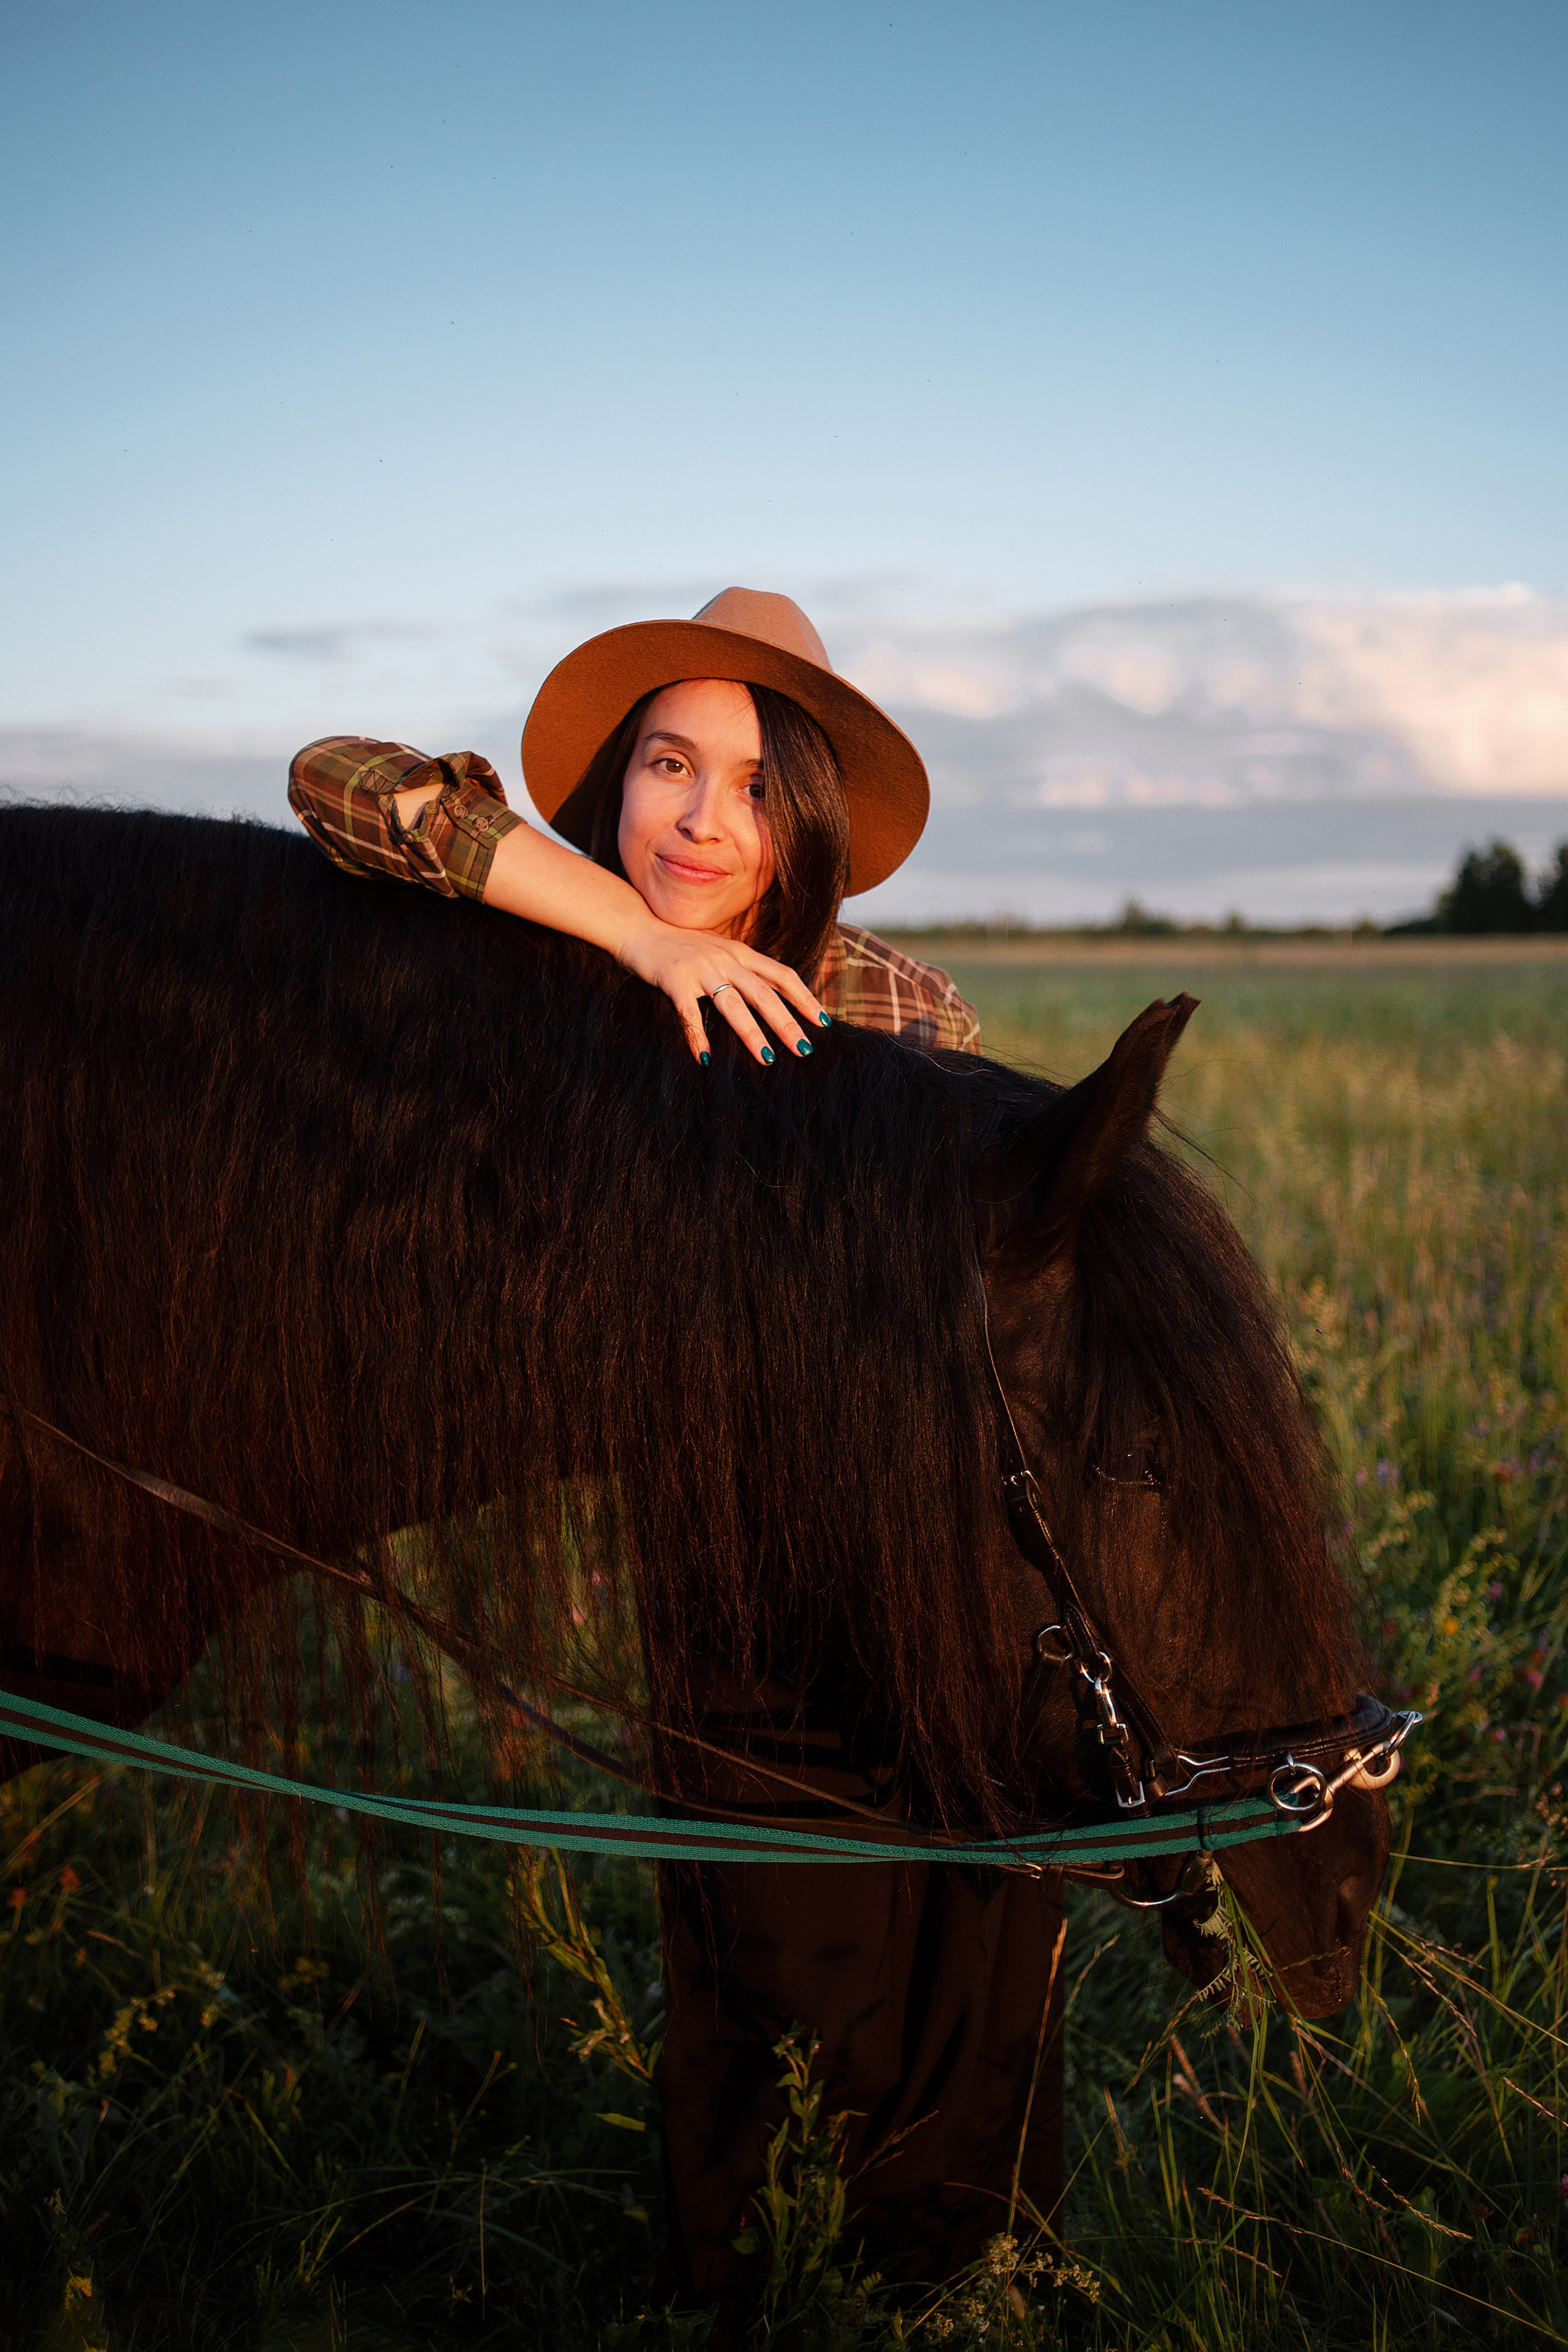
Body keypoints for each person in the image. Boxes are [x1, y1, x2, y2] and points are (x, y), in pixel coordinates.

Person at [288, 588, 1063, 2319]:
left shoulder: (879, 1000)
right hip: (728, 1559)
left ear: (810, 821)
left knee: (988, 1910)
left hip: (911, 1525)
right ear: (618, 786)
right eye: (668, 764)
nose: (708, 821)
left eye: (758, 785)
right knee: (773, 1948)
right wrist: (641, 947)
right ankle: (765, 2283)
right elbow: (335, 775)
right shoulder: (538, 954)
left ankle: (979, 2276)